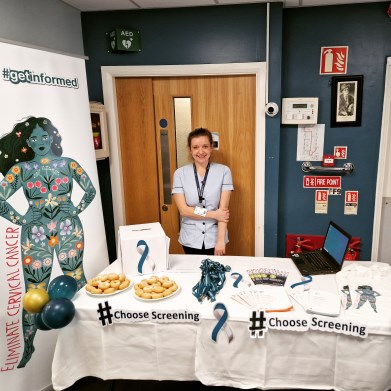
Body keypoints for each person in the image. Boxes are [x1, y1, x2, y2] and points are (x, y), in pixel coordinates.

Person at [0, 116, 96, 368]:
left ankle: (92, 339)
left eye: (44, 135)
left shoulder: (68, 164)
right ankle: (28, 347)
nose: (40, 141)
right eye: (34, 138)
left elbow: (91, 190)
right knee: (34, 293)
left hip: (69, 230)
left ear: (53, 136)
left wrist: (76, 208)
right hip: (34, 235)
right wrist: (20, 218)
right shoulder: (20, 170)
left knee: (78, 281)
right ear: (27, 143)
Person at [172, 128, 233, 256]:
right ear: (190, 149)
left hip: (215, 238)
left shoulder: (224, 172)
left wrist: (220, 241)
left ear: (211, 147)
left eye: (205, 146)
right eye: (195, 147)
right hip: (190, 239)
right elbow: (184, 210)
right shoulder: (180, 174)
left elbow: (223, 211)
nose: (201, 151)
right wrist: (213, 214)